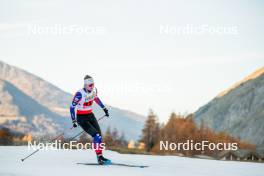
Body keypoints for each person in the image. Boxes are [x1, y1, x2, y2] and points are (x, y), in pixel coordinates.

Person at [70, 75, 111, 165]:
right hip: (82, 118)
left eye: (93, 85)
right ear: (85, 85)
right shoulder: (79, 94)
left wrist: (104, 108)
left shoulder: (94, 90)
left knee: (99, 136)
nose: (92, 87)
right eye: (90, 85)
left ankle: (100, 157)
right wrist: (74, 121)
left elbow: (96, 98)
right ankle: (100, 158)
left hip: (90, 115)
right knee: (96, 135)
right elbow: (72, 107)